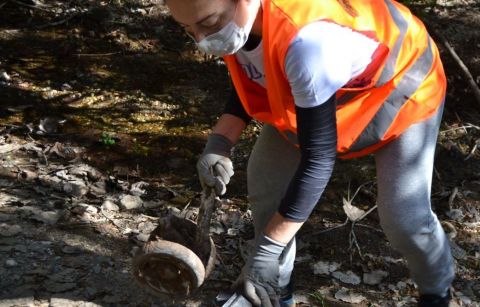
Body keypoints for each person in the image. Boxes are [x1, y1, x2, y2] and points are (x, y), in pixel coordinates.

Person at [164, 0, 455, 306]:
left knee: (404, 219)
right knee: (266, 182)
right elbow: (255, 71)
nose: (200, 40)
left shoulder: (309, 43)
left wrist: (265, 251)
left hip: (398, 88)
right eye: (188, 30)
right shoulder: (241, 22)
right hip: (321, 91)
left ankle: (436, 292)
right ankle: (273, 290)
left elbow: (318, 161)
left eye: (208, 24)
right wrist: (220, 143)